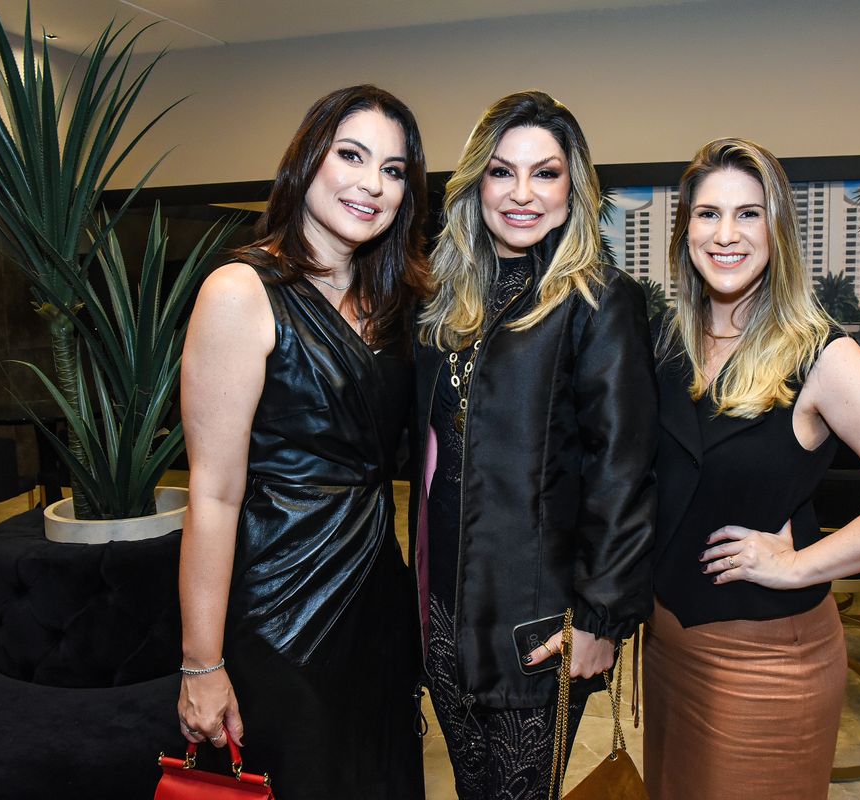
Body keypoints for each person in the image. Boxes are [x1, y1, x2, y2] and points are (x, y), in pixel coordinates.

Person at [644, 137, 860, 799]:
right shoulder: (670, 343)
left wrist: (801, 564)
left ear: (778, 230)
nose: (726, 234)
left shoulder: (821, 353)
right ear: (684, 231)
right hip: (669, 647)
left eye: (749, 214)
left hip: (763, 665)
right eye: (707, 214)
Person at [176, 85, 429, 799]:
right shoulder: (240, 291)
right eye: (351, 155)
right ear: (307, 160)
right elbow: (215, 493)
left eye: (393, 169)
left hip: (376, 598)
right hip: (278, 610)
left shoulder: (395, 303)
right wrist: (201, 662)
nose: (371, 184)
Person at [411, 90, 656, 800]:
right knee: (472, 788)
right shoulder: (448, 302)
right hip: (444, 616)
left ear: (573, 187)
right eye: (501, 172)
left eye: (544, 173)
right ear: (475, 185)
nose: (522, 194)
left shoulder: (598, 300)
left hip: (539, 625)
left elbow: (624, 471)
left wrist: (603, 617)